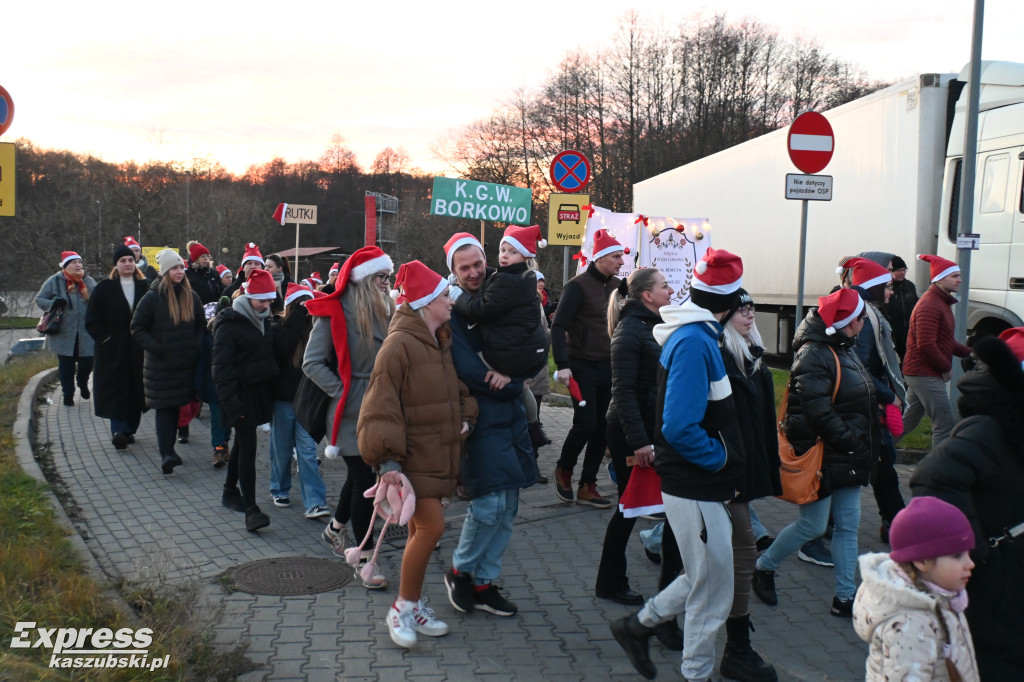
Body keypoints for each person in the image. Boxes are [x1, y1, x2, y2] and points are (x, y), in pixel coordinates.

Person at [609, 248, 746, 682]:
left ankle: (638, 626)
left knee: (710, 574)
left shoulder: (699, 335)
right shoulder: (693, 342)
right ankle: (694, 671)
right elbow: (680, 426)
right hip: (695, 482)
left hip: (700, 483)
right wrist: (722, 458)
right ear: (727, 304)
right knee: (712, 587)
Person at [357, 260, 477, 649]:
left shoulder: (439, 340)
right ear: (426, 302)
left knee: (417, 532)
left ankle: (416, 602)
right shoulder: (399, 345)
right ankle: (402, 607)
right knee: (431, 529)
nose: (450, 300)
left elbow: (454, 390)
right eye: (444, 295)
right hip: (411, 460)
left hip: (436, 453)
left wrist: (467, 418)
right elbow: (379, 406)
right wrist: (387, 461)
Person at [752, 287, 878, 617]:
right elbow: (815, 410)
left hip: (848, 455)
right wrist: (850, 436)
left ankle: (845, 597)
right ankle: (764, 566)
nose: (865, 323)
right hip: (825, 455)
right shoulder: (814, 354)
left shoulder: (843, 345)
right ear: (848, 321)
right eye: (862, 318)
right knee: (812, 527)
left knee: (849, 526)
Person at [909, 329, 1024, 679]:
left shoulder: (1014, 427)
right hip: (996, 592)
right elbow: (931, 479)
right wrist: (975, 550)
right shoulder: (988, 428)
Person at [440, 233, 537, 618]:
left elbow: (534, 339)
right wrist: (516, 382)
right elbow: (468, 370)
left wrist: (523, 373)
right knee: (488, 505)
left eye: (478, 264)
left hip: (510, 417)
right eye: (464, 268)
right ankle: (460, 572)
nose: (474, 272)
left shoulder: (504, 292)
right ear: (453, 271)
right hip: (480, 419)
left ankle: (484, 581)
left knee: (509, 505)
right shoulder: (454, 312)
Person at [305, 246, 395, 589]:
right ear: (363, 279)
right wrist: (342, 391)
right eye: (380, 277)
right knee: (364, 481)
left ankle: (335, 529)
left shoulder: (387, 308)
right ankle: (365, 556)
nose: (386, 283)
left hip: (380, 405)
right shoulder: (334, 312)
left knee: (361, 477)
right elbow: (311, 363)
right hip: (350, 412)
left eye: (387, 277)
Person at [595, 268, 674, 605]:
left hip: (645, 428)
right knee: (628, 509)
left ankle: (635, 562)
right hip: (630, 432)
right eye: (664, 285)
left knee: (638, 506)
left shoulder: (649, 324)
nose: (670, 290)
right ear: (647, 295)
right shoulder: (630, 330)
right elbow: (623, 392)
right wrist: (641, 442)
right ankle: (610, 583)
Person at [717, 288, 780, 681]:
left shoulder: (750, 353)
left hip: (742, 468)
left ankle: (650, 622)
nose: (750, 314)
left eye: (752, 308)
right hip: (725, 472)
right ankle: (735, 646)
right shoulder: (721, 354)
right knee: (740, 547)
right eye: (742, 308)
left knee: (716, 551)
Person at [853, 496, 980, 681]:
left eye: (968, 553)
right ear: (921, 561)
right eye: (957, 556)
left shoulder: (943, 598)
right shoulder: (910, 625)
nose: (970, 564)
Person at [550, 228, 625, 508]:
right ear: (601, 258)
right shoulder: (577, 286)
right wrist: (563, 364)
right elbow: (558, 327)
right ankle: (564, 469)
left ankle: (588, 485)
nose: (620, 261)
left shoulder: (619, 286)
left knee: (603, 427)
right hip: (580, 365)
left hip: (608, 365)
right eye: (616, 256)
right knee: (585, 423)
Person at [844, 258, 907, 543]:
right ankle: (896, 523)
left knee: (879, 465)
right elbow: (862, 367)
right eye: (889, 286)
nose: (892, 291)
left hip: (865, 403)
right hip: (866, 405)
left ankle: (892, 522)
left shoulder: (863, 309)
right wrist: (888, 396)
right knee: (880, 464)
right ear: (875, 286)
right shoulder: (864, 316)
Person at [212, 268, 279, 532]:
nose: (266, 304)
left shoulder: (264, 319)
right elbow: (221, 368)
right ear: (249, 296)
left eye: (270, 299)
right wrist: (230, 404)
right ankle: (251, 508)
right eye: (262, 299)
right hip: (238, 395)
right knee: (248, 448)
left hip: (257, 394)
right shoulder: (230, 323)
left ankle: (230, 491)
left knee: (242, 442)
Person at [130, 249, 206, 474]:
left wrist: (196, 346)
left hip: (185, 366)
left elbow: (201, 326)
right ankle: (167, 454)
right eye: (175, 268)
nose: (180, 271)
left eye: (182, 267)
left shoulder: (192, 297)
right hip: (161, 367)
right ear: (165, 272)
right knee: (165, 410)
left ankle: (171, 450)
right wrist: (158, 348)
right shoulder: (153, 297)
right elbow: (137, 328)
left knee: (177, 409)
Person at [268, 282, 329, 519]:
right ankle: (280, 487)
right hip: (282, 400)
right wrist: (296, 317)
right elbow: (282, 350)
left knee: (306, 450)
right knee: (281, 448)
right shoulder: (277, 326)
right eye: (300, 305)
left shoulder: (315, 330)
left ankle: (315, 501)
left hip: (306, 402)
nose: (306, 309)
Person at [899, 254, 972, 449]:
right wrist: (946, 367)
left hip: (920, 372)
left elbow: (946, 341)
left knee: (906, 423)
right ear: (940, 278)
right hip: (924, 373)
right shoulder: (930, 305)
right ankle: (937, 474)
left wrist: (973, 353)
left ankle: (876, 453)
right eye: (954, 276)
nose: (960, 280)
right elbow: (926, 344)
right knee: (944, 422)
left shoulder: (940, 302)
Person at [84, 244, 149, 450]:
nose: (127, 264)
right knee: (116, 388)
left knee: (136, 388)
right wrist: (105, 340)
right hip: (113, 349)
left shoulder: (145, 286)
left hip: (139, 348)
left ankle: (129, 428)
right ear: (116, 265)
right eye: (123, 261)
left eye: (130, 260)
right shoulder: (104, 288)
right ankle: (118, 430)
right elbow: (92, 320)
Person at [36, 251, 98, 407]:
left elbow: (99, 300)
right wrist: (53, 303)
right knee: (66, 366)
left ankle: (83, 383)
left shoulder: (89, 282)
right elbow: (40, 299)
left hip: (86, 333)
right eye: (73, 262)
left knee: (87, 363)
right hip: (63, 333)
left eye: (79, 262)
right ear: (65, 266)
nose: (78, 265)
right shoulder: (55, 281)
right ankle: (68, 394)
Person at [885, 255, 917, 361]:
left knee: (908, 360)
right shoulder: (886, 288)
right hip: (893, 334)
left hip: (908, 333)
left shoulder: (910, 286)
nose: (902, 273)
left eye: (904, 270)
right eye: (898, 270)